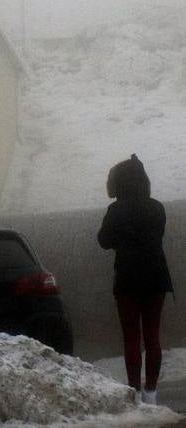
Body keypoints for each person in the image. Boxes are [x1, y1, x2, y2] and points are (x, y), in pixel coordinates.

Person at [98, 154, 173, 405]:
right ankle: (151, 393)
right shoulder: (157, 208)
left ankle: (133, 393)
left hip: (128, 278)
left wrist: (123, 239)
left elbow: (103, 241)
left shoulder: (116, 210)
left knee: (131, 336)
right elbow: (157, 234)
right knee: (152, 336)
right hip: (156, 276)